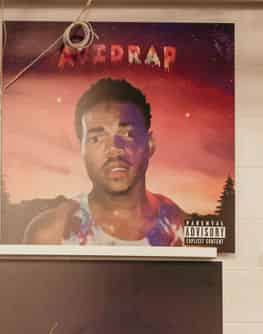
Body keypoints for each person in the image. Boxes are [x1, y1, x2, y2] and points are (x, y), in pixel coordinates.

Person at [24, 78, 186, 247]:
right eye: (97, 138)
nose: (114, 148)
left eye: (127, 134)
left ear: (150, 144)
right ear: (82, 149)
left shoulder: (182, 229)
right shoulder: (51, 234)